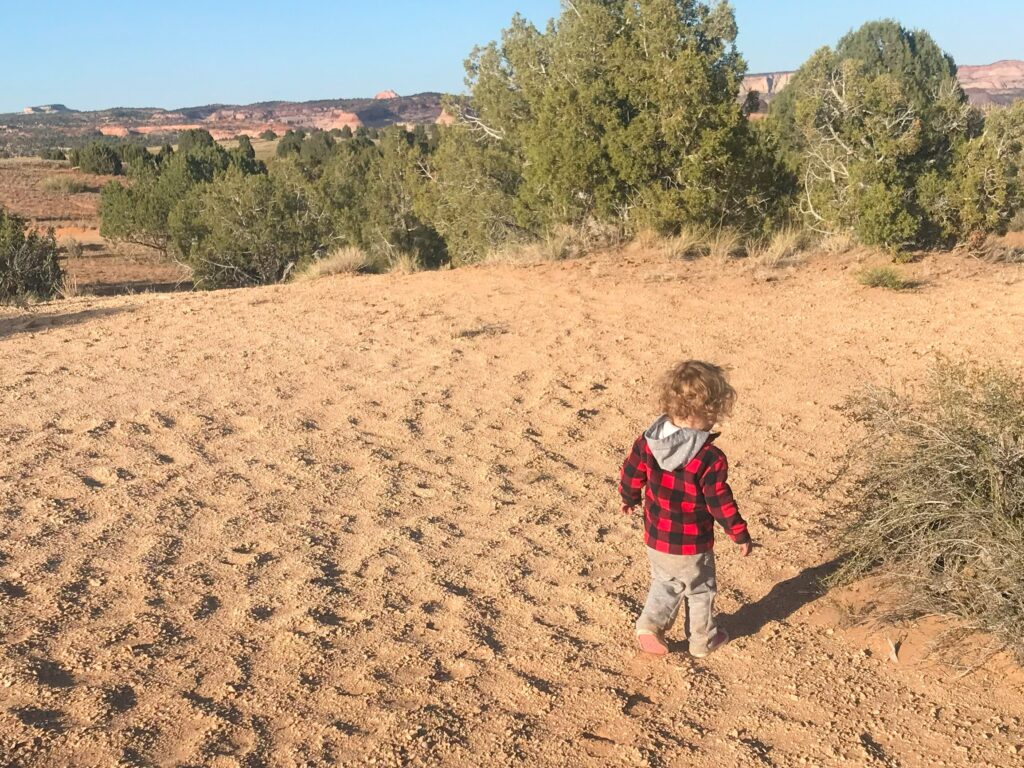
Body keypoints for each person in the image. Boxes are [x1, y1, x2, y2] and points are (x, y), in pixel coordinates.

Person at [619, 360, 753, 657]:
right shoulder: (709, 457)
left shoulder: (648, 441)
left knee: (665, 580)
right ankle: (702, 640)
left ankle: (650, 626)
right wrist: (739, 533)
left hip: (656, 536)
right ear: (710, 411)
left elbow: (631, 471)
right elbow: (719, 501)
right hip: (692, 542)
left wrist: (628, 497)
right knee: (700, 589)